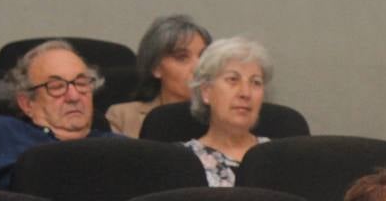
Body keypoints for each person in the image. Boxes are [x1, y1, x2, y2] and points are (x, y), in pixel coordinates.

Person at [0, 40, 121, 188]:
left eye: (81, 83)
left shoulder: (119, 147)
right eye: (57, 87)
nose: (74, 97)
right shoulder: (3, 133)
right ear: (27, 103)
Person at [183, 36, 274, 187]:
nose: (245, 93)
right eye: (233, 79)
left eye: (255, 82)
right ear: (206, 91)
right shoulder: (184, 160)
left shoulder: (279, 156)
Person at [104, 14, 211, 137]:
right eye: (182, 58)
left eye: (204, 56)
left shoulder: (222, 117)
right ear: (156, 67)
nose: (198, 67)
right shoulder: (123, 116)